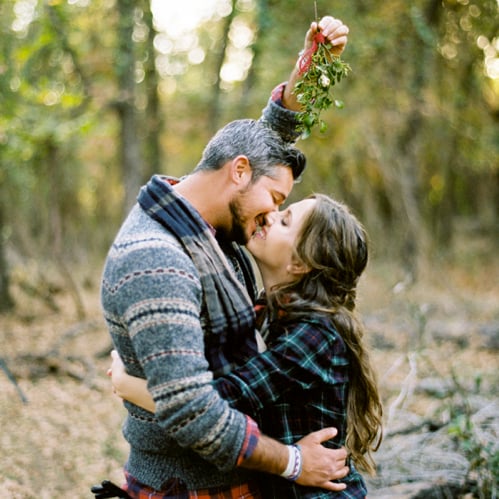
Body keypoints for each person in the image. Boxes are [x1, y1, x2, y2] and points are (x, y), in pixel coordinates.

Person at [99, 16, 351, 499]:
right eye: (275, 201)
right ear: (238, 173)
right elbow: (195, 414)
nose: (270, 217)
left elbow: (267, 140)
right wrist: (295, 462)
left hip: (236, 479)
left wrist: (314, 65)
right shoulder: (157, 260)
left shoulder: (209, 218)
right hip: (188, 487)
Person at [109, 194, 384, 498]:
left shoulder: (315, 336)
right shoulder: (265, 312)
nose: (270, 215)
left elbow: (219, 403)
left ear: (300, 263)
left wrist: (129, 385)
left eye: (285, 220)